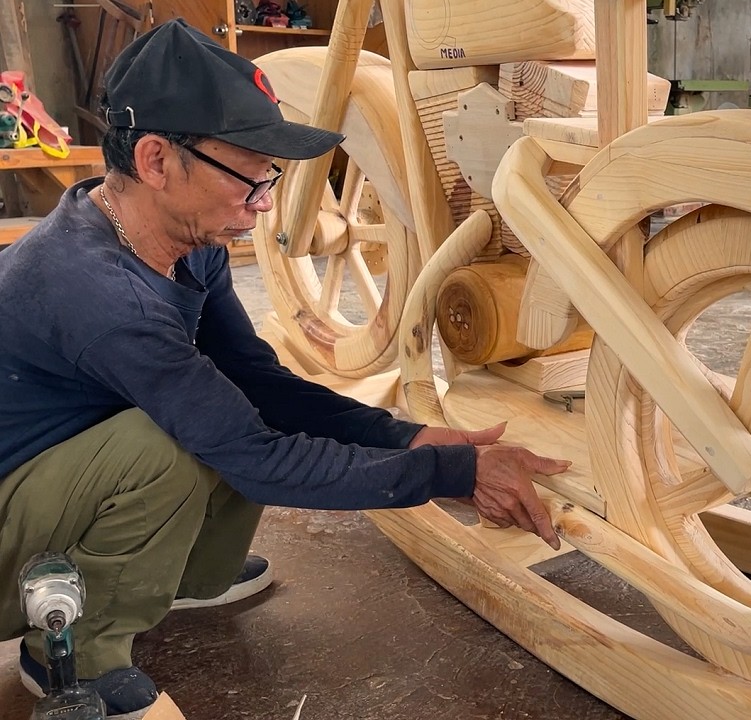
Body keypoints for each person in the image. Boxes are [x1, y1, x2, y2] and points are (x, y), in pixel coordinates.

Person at [0, 19, 569, 719]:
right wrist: (451, 475)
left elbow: (257, 381)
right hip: (8, 525)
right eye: (248, 175)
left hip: (52, 473)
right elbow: (256, 459)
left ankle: (181, 575)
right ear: (154, 160)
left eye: (272, 176)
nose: (266, 200)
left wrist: (408, 439)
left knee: (226, 396)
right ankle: (69, 654)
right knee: (163, 448)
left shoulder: (179, 234)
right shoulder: (96, 291)